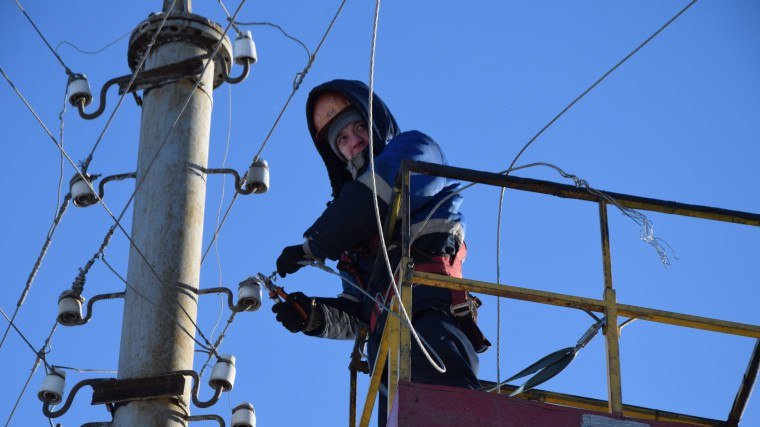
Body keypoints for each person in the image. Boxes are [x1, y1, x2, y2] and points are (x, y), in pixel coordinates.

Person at [273, 79, 489, 423]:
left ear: (375, 122)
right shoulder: (351, 228)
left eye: (358, 127)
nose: (353, 142)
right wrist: (312, 315)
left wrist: (314, 245)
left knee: (448, 411)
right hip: (384, 350)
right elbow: (359, 309)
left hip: (430, 312)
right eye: (341, 139)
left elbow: (378, 193)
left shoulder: (416, 150)